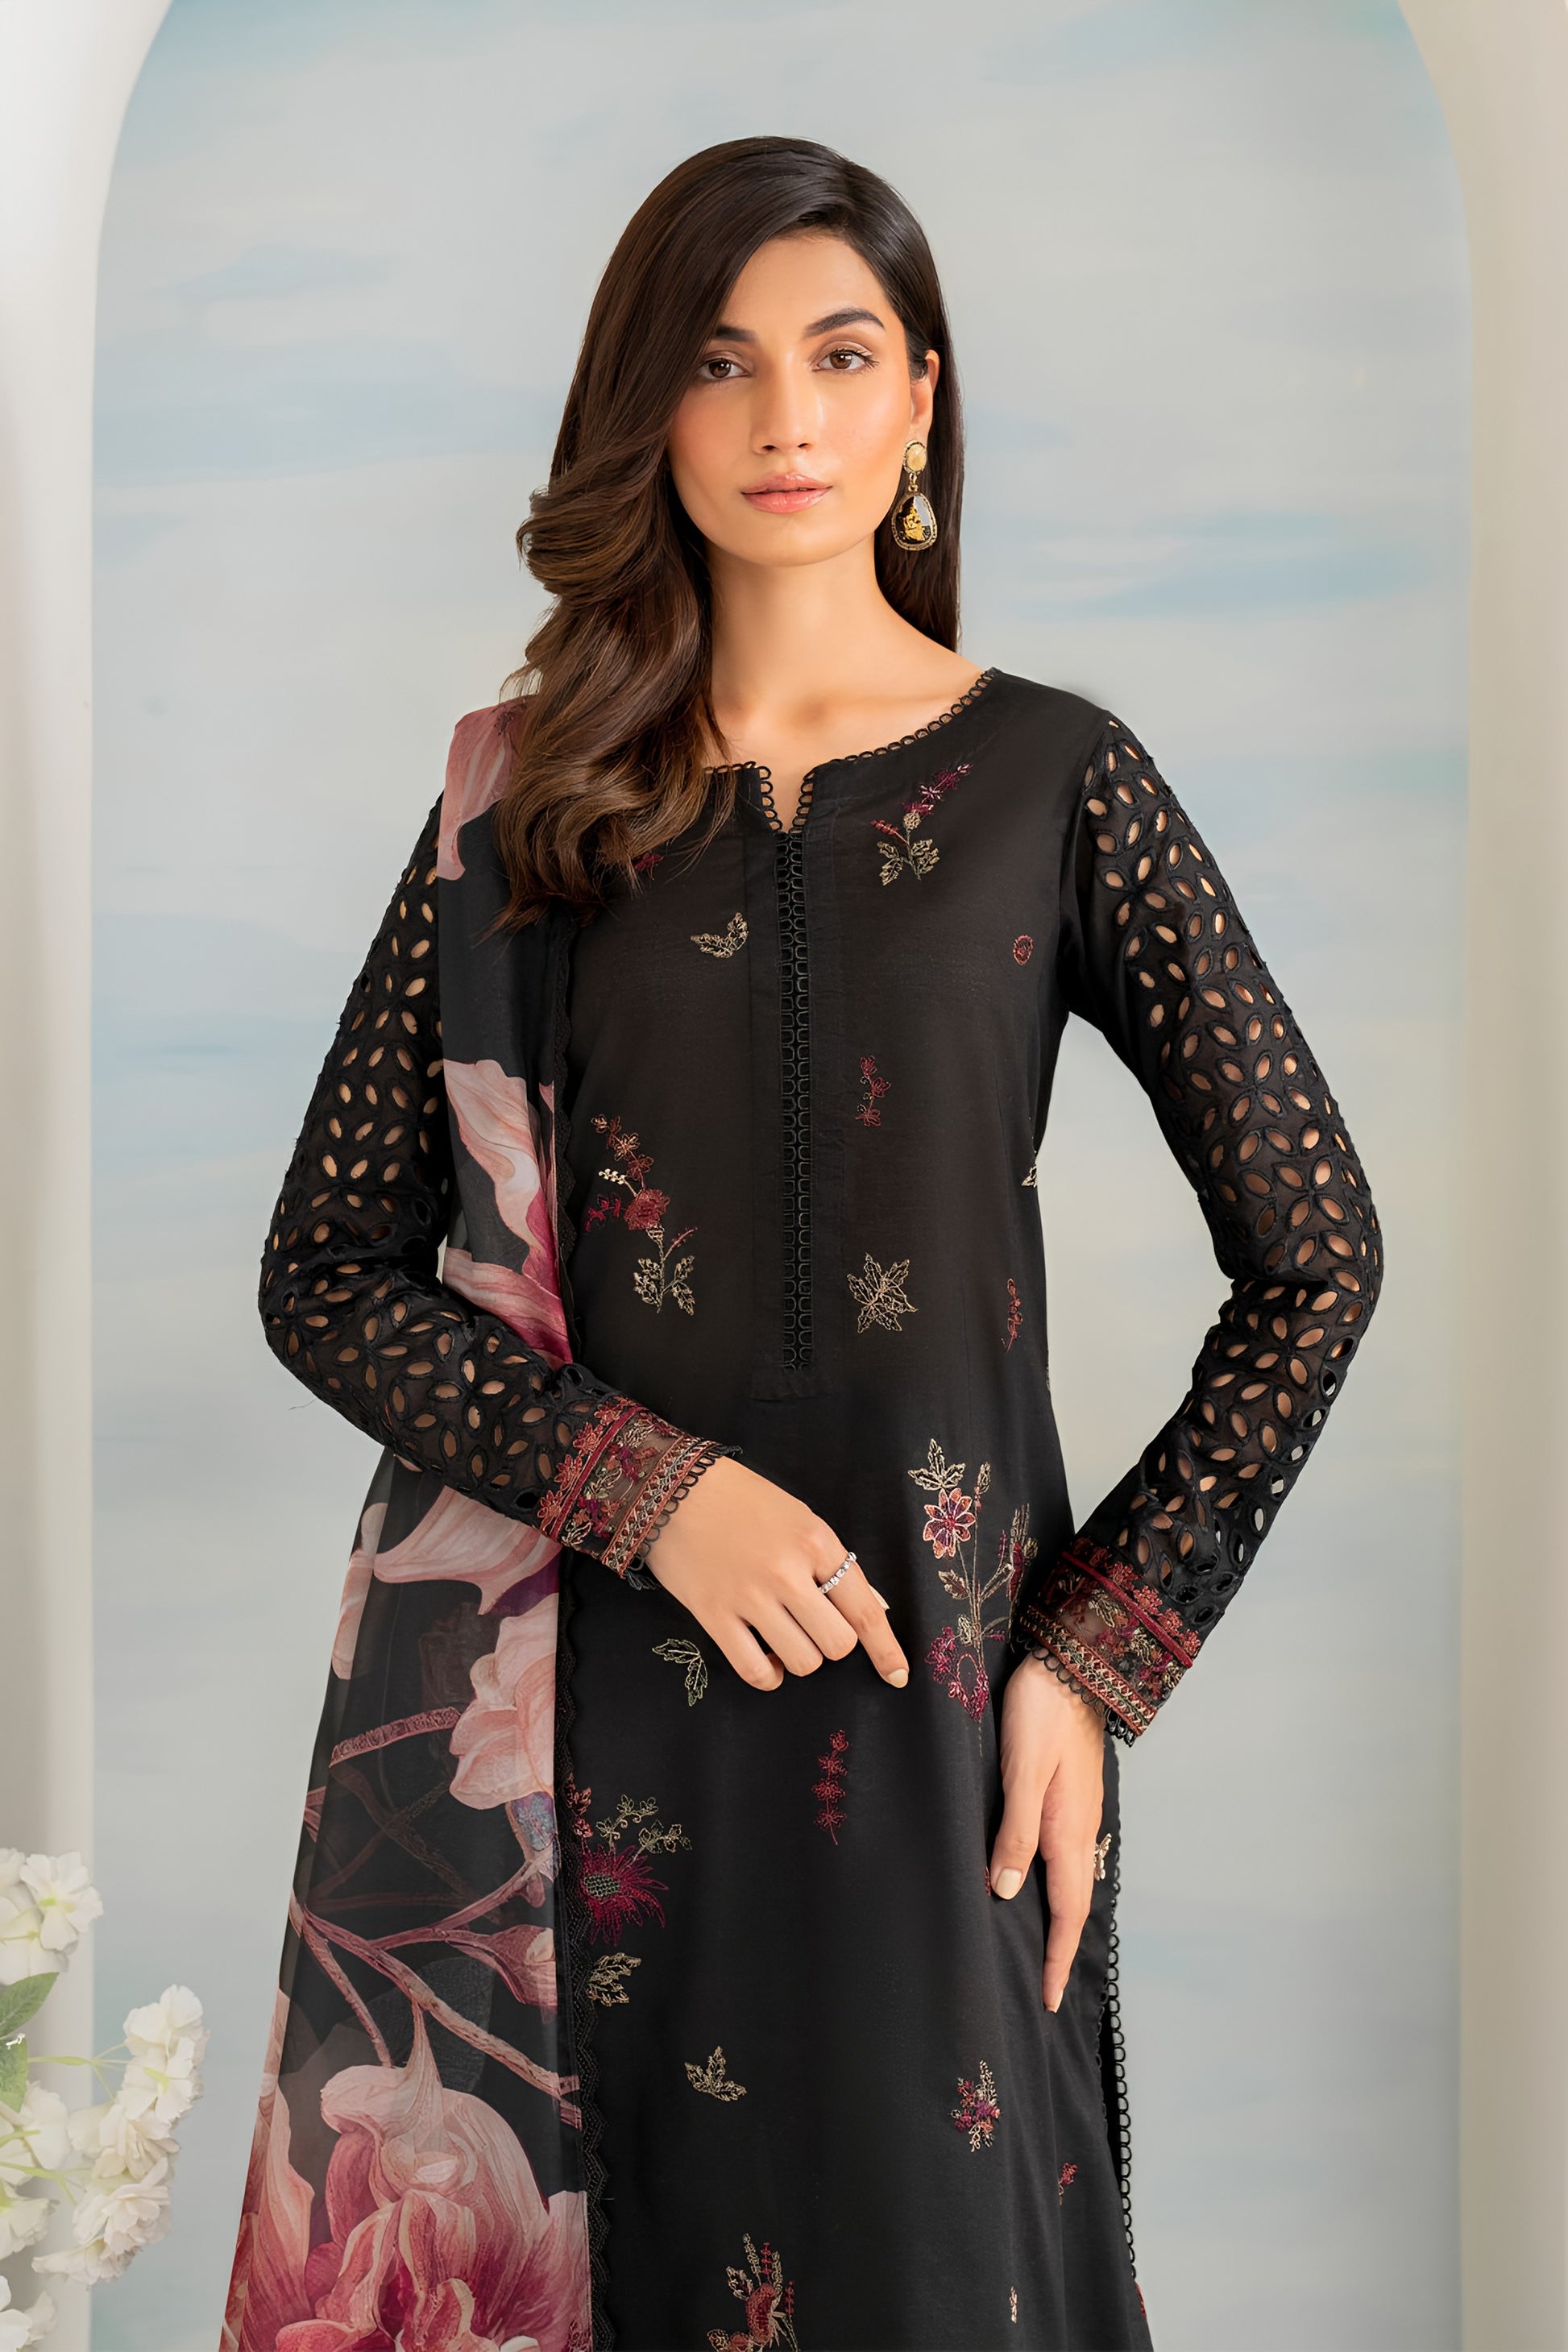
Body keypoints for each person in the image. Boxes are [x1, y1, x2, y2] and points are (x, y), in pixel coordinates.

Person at [223, 136, 1382, 2352]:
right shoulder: (528, 803)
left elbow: (1316, 1252)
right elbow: (327, 1269)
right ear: (647, 410)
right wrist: (647, 1492)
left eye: (841, 357)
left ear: (920, 400)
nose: (784, 418)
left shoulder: (1058, 782)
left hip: (940, 1718)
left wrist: (1095, 1655)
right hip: (576, 1734)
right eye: (721, 362)